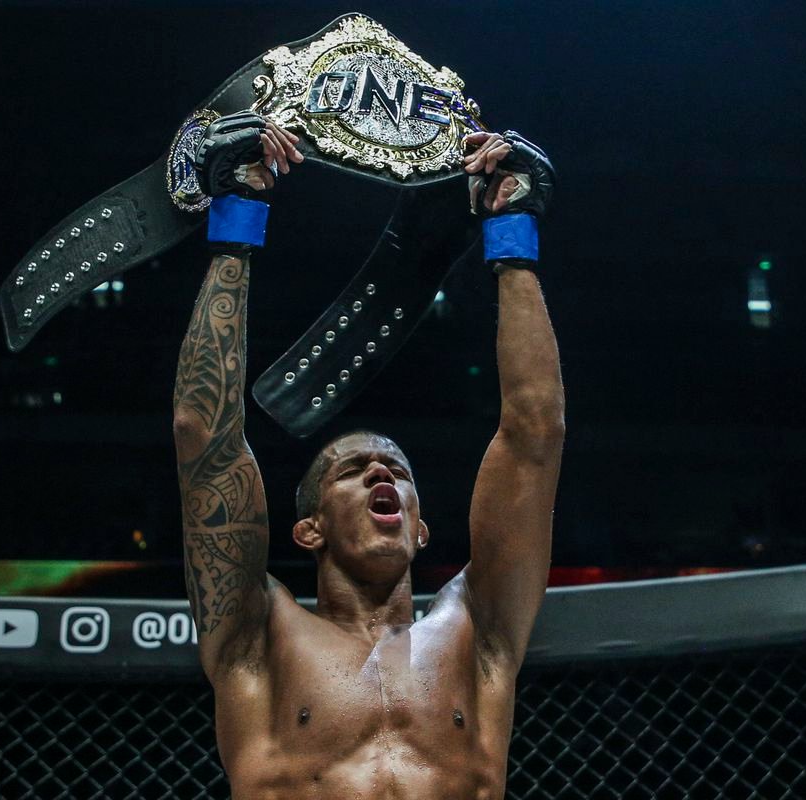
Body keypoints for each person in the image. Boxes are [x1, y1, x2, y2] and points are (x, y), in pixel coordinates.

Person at [172, 111, 563, 799]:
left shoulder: (478, 630)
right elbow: (204, 436)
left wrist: (513, 230)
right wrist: (237, 219)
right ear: (309, 529)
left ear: (420, 527)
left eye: (399, 474)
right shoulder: (258, 634)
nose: (382, 471)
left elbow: (534, 434)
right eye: (352, 472)